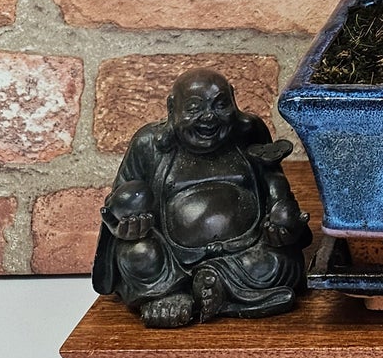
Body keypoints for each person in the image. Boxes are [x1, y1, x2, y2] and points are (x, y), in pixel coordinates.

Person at [92, 68, 310, 328]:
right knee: (137, 253)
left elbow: (274, 182)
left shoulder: (249, 131)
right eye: (194, 108)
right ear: (172, 108)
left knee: (280, 262)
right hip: (173, 261)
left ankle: (208, 289)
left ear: (234, 101)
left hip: (245, 251)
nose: (209, 117)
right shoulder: (149, 144)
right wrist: (127, 225)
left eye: (221, 105)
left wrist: (282, 223)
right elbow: (119, 202)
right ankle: (172, 295)